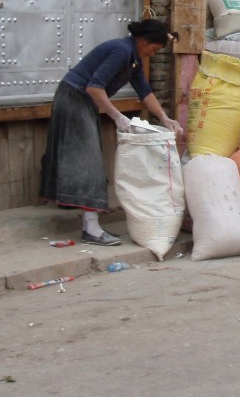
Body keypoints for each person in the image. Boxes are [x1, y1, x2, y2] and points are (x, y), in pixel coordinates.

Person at [40, 19, 183, 246]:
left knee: (87, 158)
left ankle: (88, 221)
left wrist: (165, 118)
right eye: (153, 49)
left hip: (82, 101)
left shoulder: (133, 59)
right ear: (143, 41)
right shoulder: (121, 51)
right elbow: (94, 87)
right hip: (73, 97)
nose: (151, 54)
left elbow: (144, 91)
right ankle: (92, 229)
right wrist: (117, 116)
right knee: (90, 161)